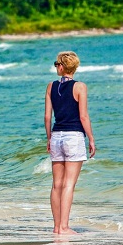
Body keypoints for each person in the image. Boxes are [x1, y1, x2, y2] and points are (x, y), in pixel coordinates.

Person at [44, 51, 96, 235]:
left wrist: (49, 138)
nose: (56, 66)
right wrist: (91, 138)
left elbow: (47, 116)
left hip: (57, 136)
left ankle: (57, 226)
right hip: (73, 137)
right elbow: (83, 116)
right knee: (68, 185)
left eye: (57, 64)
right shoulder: (80, 87)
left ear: (63, 66)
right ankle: (64, 227)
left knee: (56, 184)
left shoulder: (51, 86)